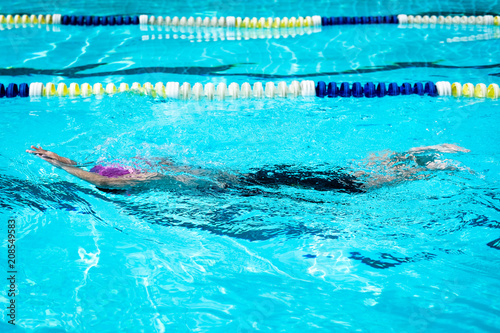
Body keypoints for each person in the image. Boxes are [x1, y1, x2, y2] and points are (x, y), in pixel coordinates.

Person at [26, 143, 470, 194]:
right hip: (252, 176)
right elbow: (91, 168)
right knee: (345, 176)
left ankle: (428, 166)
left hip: (251, 185)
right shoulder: (142, 170)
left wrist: (61, 167)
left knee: (357, 187)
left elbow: (95, 175)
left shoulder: (140, 179)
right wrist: (55, 160)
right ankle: (415, 156)